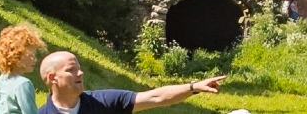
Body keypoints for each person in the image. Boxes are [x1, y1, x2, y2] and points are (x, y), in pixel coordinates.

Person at [38, 51, 222, 114]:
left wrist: (193, 87)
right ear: (52, 78)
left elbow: (156, 97)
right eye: (71, 70)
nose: (81, 72)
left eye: (79, 67)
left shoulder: (105, 102)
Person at [0, 24, 45, 114]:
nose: (34, 59)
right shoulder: (23, 84)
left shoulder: (2, 78)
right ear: (17, 56)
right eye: (31, 55)